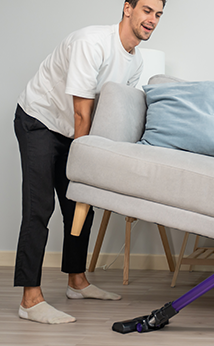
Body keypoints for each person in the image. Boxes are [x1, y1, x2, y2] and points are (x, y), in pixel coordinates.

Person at [14, 0, 165, 324]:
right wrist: (86, 165)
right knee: (39, 207)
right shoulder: (91, 43)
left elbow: (109, 114)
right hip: (40, 120)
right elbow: (83, 111)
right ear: (127, 8)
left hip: (73, 129)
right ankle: (30, 299)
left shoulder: (134, 61)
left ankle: (77, 281)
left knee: (81, 204)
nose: (152, 19)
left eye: (158, 14)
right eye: (147, 10)